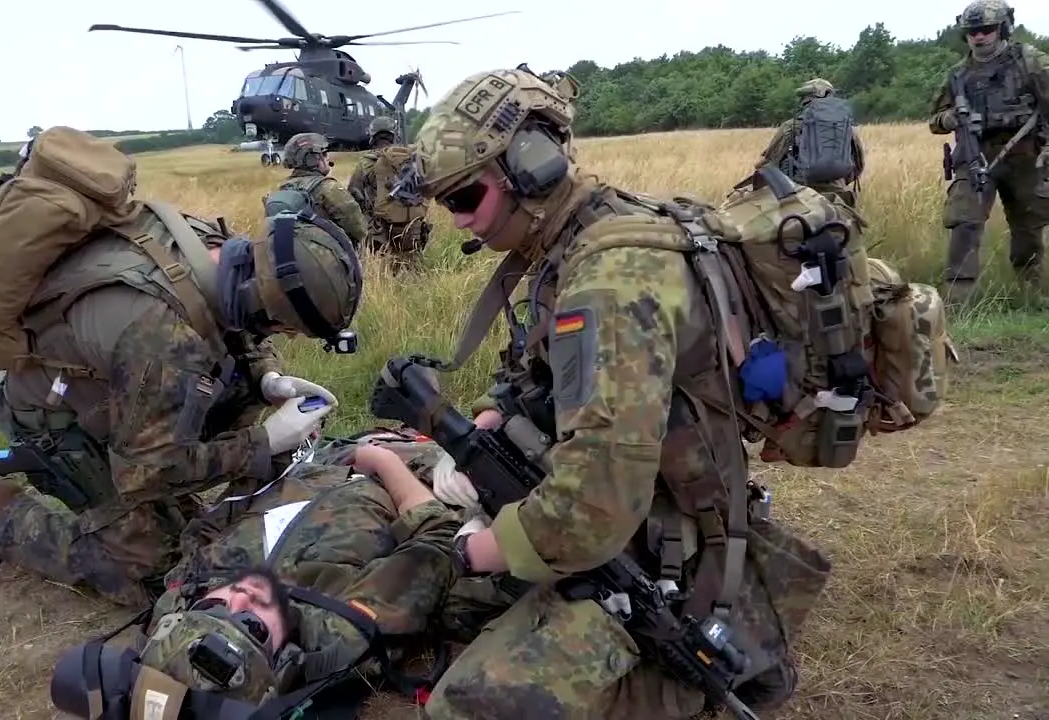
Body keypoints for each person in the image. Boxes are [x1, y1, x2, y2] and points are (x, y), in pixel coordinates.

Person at [398, 67, 833, 719]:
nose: (459, 221)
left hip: (663, 564)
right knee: (451, 601)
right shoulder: (581, 236)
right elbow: (537, 374)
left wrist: (479, 545)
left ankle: (698, 674)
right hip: (647, 525)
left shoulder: (610, 280)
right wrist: (489, 422)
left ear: (531, 167)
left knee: (465, 707)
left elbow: (590, 511)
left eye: (464, 198)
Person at [0, 198, 365, 609]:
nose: (286, 337)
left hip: (122, 390)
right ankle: (4, 517)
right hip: (58, 417)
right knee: (157, 577)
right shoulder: (162, 340)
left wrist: (265, 378)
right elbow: (143, 473)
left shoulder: (223, 252)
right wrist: (264, 441)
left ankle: (172, 513)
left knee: (222, 430)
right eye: (284, 327)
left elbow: (236, 330)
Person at [49, 428, 485, 719]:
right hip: (411, 469)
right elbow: (436, 536)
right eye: (252, 626)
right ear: (285, 662)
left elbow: (208, 531)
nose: (241, 597)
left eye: (215, 608)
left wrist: (280, 467)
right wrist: (381, 460)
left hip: (316, 463)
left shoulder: (180, 604)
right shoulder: (342, 628)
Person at [928, 0, 1049, 307]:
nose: (979, 37)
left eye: (986, 30)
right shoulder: (958, 75)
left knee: (1028, 226)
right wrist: (952, 118)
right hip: (975, 156)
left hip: (1025, 155)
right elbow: (935, 120)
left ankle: (1031, 295)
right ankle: (958, 301)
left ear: (1001, 29)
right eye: (972, 32)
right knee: (964, 223)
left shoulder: (1029, 61)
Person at [755, 77, 866, 208]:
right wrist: (837, 181)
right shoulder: (846, 128)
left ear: (805, 100)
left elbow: (770, 164)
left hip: (800, 197)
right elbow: (858, 166)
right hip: (839, 196)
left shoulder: (791, 126)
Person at [346, 116, 432, 273]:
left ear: (373, 136)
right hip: (412, 229)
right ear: (394, 135)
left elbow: (353, 196)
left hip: (379, 232)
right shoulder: (408, 158)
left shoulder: (366, 163)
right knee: (414, 274)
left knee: (384, 274)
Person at [268, 132, 369, 249]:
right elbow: (360, 230)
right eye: (324, 154)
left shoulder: (282, 188)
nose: (328, 158)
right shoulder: (329, 188)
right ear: (313, 158)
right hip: (325, 258)